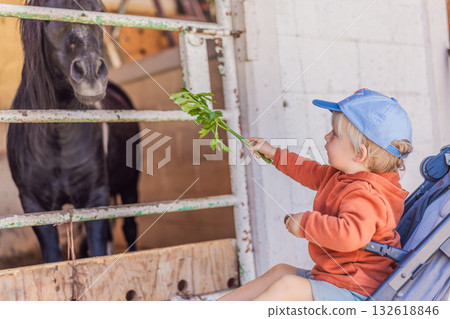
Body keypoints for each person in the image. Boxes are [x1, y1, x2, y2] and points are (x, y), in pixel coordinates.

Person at [218, 89, 413, 301]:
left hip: (357, 291)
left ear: (359, 154)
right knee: (281, 272)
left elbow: (350, 235)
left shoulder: (366, 194)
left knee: (289, 287)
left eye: (335, 134)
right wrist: (274, 153)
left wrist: (305, 223)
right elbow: (309, 171)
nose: (326, 136)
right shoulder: (344, 176)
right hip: (338, 281)